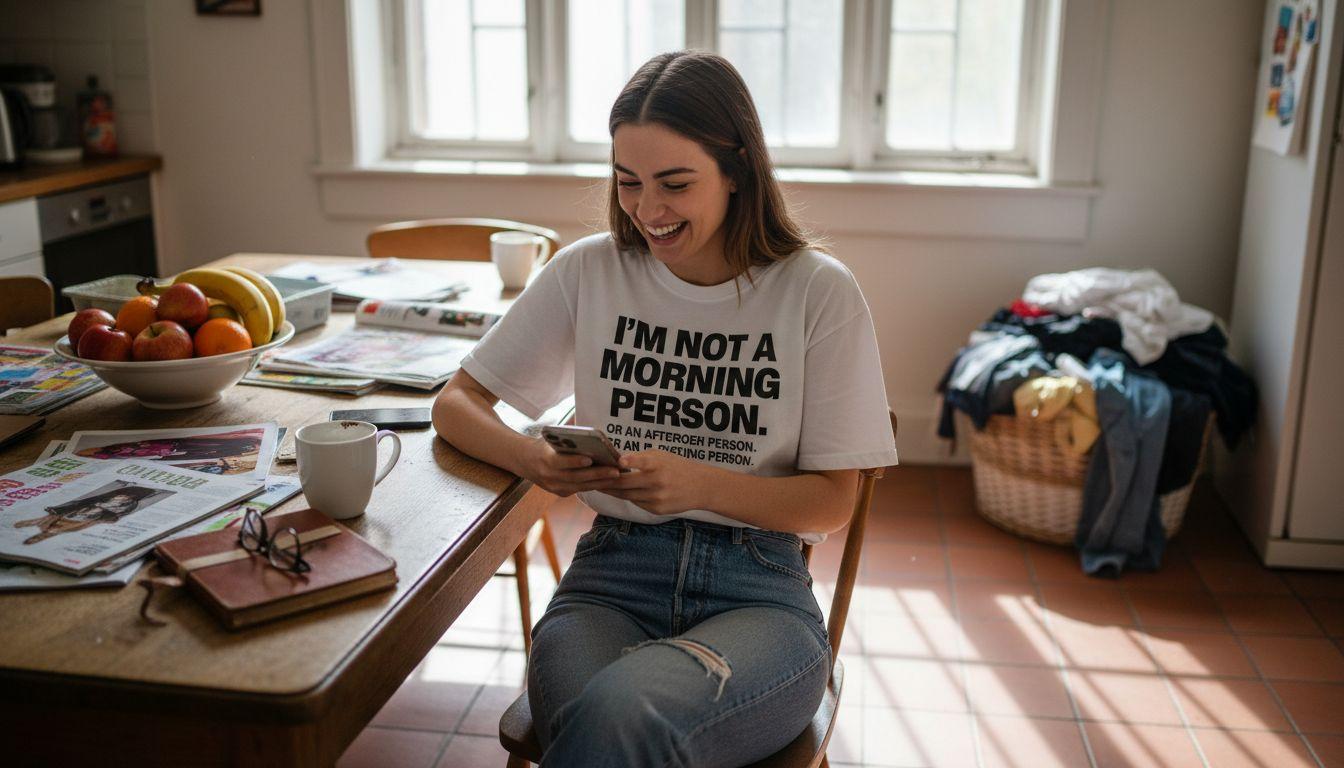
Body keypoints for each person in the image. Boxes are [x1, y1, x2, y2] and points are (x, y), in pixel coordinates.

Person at [432, 50, 897, 767]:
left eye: (675, 184)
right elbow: (456, 406)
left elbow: (832, 504)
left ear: (738, 169)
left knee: (616, 718)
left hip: (762, 597)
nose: (648, 210)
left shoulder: (817, 292)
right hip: (608, 582)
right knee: (617, 727)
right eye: (628, 183)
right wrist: (532, 459)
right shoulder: (588, 271)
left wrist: (700, 484)